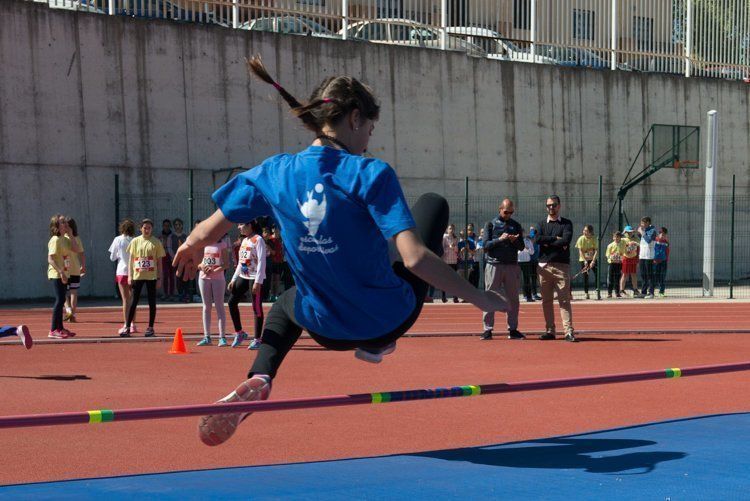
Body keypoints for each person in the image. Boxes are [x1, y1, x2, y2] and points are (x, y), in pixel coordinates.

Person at [172, 56, 507, 446]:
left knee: (284, 304)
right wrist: (480, 298)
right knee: (431, 204)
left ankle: (262, 374)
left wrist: (191, 245)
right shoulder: (369, 173)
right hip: (387, 318)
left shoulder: (273, 172)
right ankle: (376, 344)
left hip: (325, 329)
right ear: (353, 118)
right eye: (369, 128)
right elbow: (415, 258)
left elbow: (210, 228)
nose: (369, 141)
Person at [480, 199, 525, 340]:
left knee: (513, 299)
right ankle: (487, 330)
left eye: (511, 212)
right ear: (500, 209)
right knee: (490, 297)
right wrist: (500, 239)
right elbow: (485, 245)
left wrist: (514, 241)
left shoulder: (516, 225)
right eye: (506, 212)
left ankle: (513, 329)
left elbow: (522, 247)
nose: (508, 215)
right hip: (494, 264)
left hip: (511, 265)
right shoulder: (490, 224)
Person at [535, 196, 577, 342]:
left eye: (553, 205)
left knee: (564, 301)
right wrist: (555, 240)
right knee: (546, 301)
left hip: (561, 266)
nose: (551, 208)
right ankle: (550, 330)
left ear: (559, 206)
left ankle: (568, 332)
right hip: (544, 267)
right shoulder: (541, 224)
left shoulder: (566, 224)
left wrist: (548, 241)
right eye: (548, 206)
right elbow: (537, 239)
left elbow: (566, 240)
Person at [123, 219, 166, 337]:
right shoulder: (135, 241)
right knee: (133, 302)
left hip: (151, 277)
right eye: (145, 228)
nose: (147, 230)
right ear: (140, 228)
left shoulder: (156, 242)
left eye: (149, 228)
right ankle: (127, 327)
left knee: (152, 302)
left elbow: (159, 263)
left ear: (152, 229)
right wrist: (130, 276)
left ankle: (151, 327)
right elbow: (131, 260)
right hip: (138, 276)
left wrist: (159, 278)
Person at [227, 221, 266, 349]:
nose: (238, 227)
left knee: (256, 307)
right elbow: (241, 262)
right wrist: (233, 279)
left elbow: (261, 261)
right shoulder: (244, 241)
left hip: (254, 278)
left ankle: (257, 339)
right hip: (244, 276)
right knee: (232, 302)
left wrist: (258, 281)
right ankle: (239, 333)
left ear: (250, 226)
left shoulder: (258, 240)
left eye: (241, 224)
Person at [47, 215, 79, 339]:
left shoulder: (65, 239)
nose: (65, 224)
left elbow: (75, 249)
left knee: (61, 301)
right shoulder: (55, 240)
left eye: (65, 222)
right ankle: (53, 330)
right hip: (57, 273)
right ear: (56, 225)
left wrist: (71, 234)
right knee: (60, 300)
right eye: (62, 222)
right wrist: (60, 272)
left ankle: (60, 328)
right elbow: (50, 259)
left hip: (65, 273)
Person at [197, 235, 231, 346]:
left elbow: (226, 264)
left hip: (218, 279)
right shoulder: (204, 243)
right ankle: (207, 337)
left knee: (219, 306)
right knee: (206, 306)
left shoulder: (222, 244)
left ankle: (222, 337)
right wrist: (203, 267)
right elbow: (198, 263)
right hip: (203, 278)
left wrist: (214, 271)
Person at [109, 219, 138, 335]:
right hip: (134, 271)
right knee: (133, 299)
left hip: (122, 270)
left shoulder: (118, 239)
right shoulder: (135, 240)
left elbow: (112, 257)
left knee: (125, 300)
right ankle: (133, 324)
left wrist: (119, 254)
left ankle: (126, 323)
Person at [63, 218, 85, 322]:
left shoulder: (75, 238)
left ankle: (72, 313)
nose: (65, 228)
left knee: (73, 292)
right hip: (64, 270)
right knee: (64, 292)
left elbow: (81, 253)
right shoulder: (61, 238)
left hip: (73, 269)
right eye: (64, 226)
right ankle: (69, 311)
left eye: (67, 226)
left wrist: (83, 266)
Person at [575, 224, 598, 300]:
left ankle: (597, 290)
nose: (584, 232)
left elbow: (596, 251)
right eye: (584, 230)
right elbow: (580, 251)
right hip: (583, 260)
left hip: (592, 259)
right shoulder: (581, 239)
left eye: (586, 230)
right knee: (585, 276)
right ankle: (586, 293)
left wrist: (593, 261)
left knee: (597, 274)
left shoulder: (594, 239)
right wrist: (585, 261)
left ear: (590, 232)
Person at [638, 217, 657, 299]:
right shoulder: (644, 231)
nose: (642, 225)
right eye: (641, 223)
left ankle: (651, 293)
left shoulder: (652, 230)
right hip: (642, 255)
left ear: (648, 222)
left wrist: (642, 232)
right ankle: (643, 292)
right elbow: (642, 241)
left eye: (643, 223)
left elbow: (648, 240)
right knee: (643, 275)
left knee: (650, 275)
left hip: (649, 256)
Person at [440, 224, 459, 303]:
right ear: (447, 229)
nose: (451, 230)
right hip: (446, 261)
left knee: (454, 280)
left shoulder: (455, 238)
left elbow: (457, 250)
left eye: (453, 229)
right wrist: (449, 248)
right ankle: (443, 297)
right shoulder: (444, 237)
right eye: (450, 228)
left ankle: (455, 297)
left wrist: (454, 248)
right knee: (444, 280)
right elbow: (442, 249)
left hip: (453, 261)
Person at [171, 219, 189, 302]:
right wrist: (175, 257)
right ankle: (180, 294)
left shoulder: (186, 236)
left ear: (182, 225)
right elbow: (169, 248)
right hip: (176, 260)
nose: (177, 226)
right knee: (178, 278)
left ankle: (186, 294)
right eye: (176, 225)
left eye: (179, 224)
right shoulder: (171, 237)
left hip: (185, 260)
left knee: (186, 277)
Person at [620, 226, 640, 297]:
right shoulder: (622, 240)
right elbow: (619, 246)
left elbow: (639, 245)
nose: (629, 233)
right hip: (626, 258)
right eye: (627, 232)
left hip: (633, 258)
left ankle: (635, 290)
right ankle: (621, 290)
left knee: (633, 274)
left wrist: (634, 243)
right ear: (624, 232)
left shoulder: (636, 238)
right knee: (625, 274)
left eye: (630, 232)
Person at [517, 227, 536, 302]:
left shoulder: (528, 241)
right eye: (520, 233)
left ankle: (528, 296)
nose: (522, 234)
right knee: (515, 280)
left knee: (527, 280)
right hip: (518, 262)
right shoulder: (515, 241)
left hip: (526, 262)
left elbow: (532, 252)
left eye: (523, 233)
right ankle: (515, 297)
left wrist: (527, 248)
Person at [605, 231, 625, 298]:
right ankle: (609, 293)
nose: (616, 238)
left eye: (618, 237)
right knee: (610, 278)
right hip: (612, 263)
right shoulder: (610, 245)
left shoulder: (623, 244)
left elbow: (624, 253)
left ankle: (617, 293)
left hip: (619, 264)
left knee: (617, 278)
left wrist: (621, 258)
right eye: (615, 237)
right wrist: (612, 257)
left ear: (620, 238)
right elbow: (607, 254)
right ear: (613, 238)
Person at [267, 226, 285, 301]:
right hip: (271, 261)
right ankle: (271, 294)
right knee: (271, 279)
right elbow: (270, 251)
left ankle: (276, 294)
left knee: (277, 279)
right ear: (272, 229)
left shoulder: (281, 239)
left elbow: (283, 249)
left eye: (277, 229)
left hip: (279, 261)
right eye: (275, 228)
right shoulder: (269, 239)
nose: (276, 230)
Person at [160, 219, 176, 300]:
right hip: (163, 256)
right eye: (165, 225)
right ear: (163, 226)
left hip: (171, 256)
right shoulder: (159, 236)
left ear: (170, 226)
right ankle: (165, 293)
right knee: (165, 275)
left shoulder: (173, 236)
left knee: (172, 276)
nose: (166, 227)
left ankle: (172, 294)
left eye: (168, 226)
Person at [654, 227, 670, 297]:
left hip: (663, 261)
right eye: (661, 233)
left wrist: (667, 241)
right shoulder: (655, 240)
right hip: (656, 261)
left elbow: (667, 251)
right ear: (658, 234)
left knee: (662, 277)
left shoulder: (666, 242)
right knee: (655, 276)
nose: (662, 235)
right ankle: (651, 291)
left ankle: (661, 292)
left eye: (664, 234)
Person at [528, 225, 542, 300]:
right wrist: (532, 230)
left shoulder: (537, 242)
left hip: (536, 261)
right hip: (530, 262)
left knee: (534, 278)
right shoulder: (531, 240)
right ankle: (531, 294)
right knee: (531, 278)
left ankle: (534, 294)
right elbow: (530, 236)